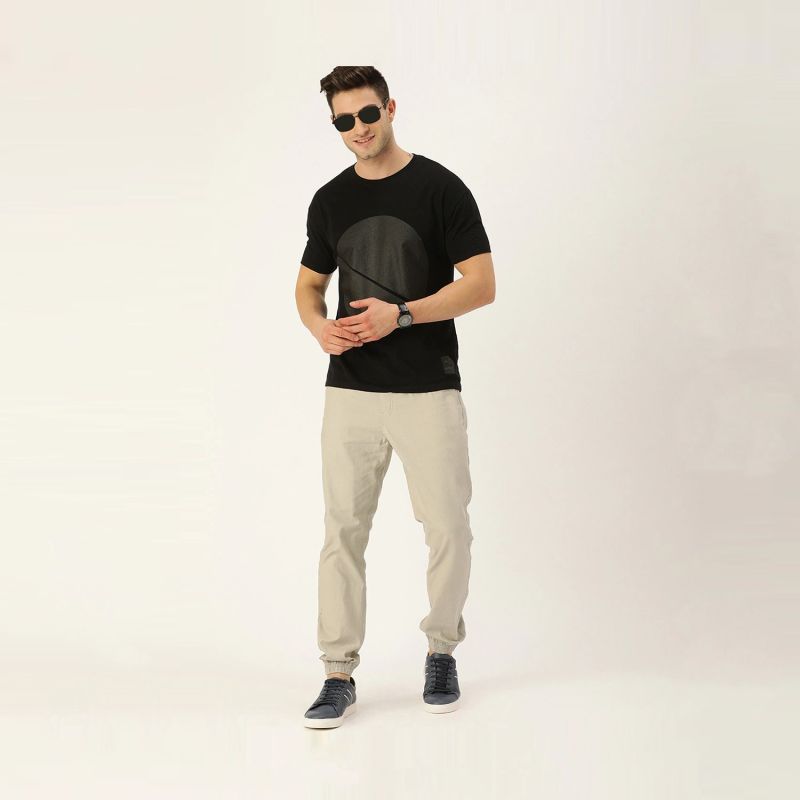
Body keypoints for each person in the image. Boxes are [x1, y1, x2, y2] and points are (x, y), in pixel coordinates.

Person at [295, 66, 495, 729]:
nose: (358, 129)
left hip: (427, 387)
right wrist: (319, 326)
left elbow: (482, 283)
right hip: (350, 391)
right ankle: (337, 672)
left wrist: (402, 315)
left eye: (367, 114)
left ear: (390, 108)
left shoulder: (440, 188)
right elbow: (308, 285)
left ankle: (441, 651)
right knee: (342, 532)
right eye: (343, 121)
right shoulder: (330, 200)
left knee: (447, 527)